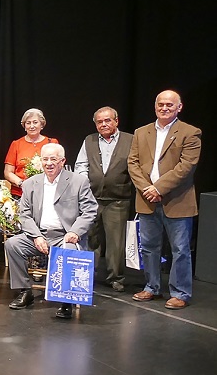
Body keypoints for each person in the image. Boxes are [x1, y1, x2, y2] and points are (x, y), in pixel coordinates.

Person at [5, 143, 98, 318]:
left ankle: (66, 301)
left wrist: (75, 232)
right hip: (39, 235)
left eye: (53, 159)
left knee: (69, 250)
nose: (49, 163)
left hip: (65, 236)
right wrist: (36, 236)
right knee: (12, 244)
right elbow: (24, 214)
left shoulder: (78, 181)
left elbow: (90, 211)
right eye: (45, 159)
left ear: (62, 161)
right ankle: (25, 291)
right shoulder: (31, 183)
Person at [128, 90, 201, 310]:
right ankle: (152, 287)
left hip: (177, 200)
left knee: (180, 249)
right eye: (161, 104)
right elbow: (133, 163)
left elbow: (186, 167)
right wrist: (147, 189)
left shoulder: (191, 132)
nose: (164, 108)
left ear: (179, 107)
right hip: (147, 199)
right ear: (155, 106)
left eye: (170, 104)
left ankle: (180, 293)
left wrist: (158, 188)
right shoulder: (141, 132)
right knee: (149, 247)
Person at [75, 106, 134, 292]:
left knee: (116, 242)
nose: (103, 124)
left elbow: (136, 166)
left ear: (116, 121)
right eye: (99, 122)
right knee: (91, 239)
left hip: (118, 199)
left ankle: (116, 278)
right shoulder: (89, 140)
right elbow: (81, 165)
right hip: (92, 199)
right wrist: (85, 188)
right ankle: (87, 275)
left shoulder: (130, 140)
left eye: (108, 120)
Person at [3, 108, 59, 197]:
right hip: (20, 193)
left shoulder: (52, 143)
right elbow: (8, 172)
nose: (32, 126)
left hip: (46, 192)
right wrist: (22, 184)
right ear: (24, 126)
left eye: (35, 122)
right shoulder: (16, 144)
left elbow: (58, 168)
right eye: (28, 123)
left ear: (41, 124)